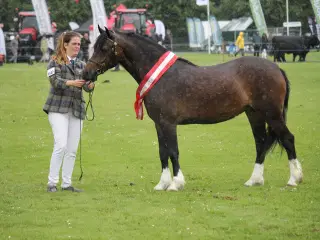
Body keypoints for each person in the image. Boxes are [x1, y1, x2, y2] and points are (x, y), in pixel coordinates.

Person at [43, 31, 94, 192]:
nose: (77, 47)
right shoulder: (55, 61)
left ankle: (66, 184)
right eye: (74, 43)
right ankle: (52, 182)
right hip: (57, 108)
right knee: (61, 144)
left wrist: (90, 86)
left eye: (79, 44)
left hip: (76, 110)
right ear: (65, 45)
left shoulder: (82, 64)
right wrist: (72, 82)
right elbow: (55, 82)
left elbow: (85, 85)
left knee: (72, 149)